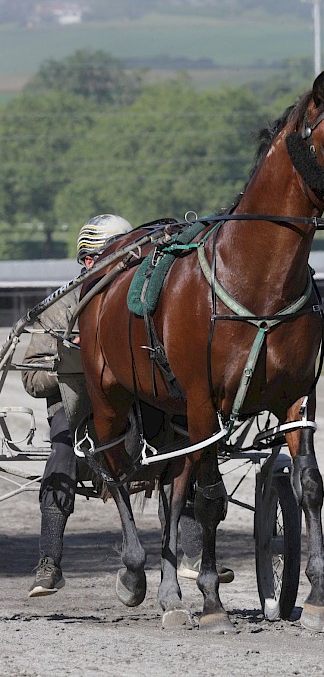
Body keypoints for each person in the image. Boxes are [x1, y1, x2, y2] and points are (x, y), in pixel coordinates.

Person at [23, 214, 232, 597]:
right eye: (115, 252)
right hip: (74, 406)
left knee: (181, 441)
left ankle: (194, 556)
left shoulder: (135, 298)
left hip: (131, 399)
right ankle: (49, 564)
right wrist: (84, 364)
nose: (129, 259)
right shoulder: (59, 305)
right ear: (89, 261)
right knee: (63, 451)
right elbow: (32, 379)